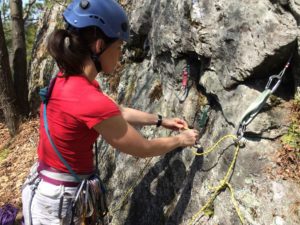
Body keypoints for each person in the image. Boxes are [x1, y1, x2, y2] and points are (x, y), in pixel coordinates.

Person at [21, 0, 199, 224]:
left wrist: (161, 121)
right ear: (99, 46)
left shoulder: (67, 78)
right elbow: (143, 148)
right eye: (117, 47)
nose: (120, 54)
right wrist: (181, 139)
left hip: (47, 189)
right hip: (57, 206)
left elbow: (116, 112)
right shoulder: (88, 99)